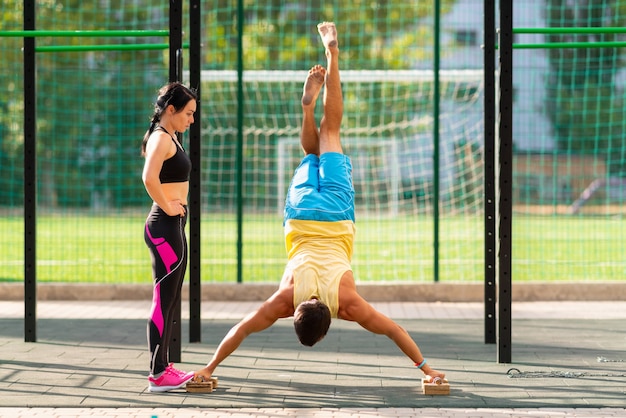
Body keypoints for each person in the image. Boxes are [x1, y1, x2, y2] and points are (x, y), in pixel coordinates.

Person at [194, 22, 445, 386]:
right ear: (296, 312)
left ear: (329, 321)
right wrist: (209, 367)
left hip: (337, 217)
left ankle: (331, 60)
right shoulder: (285, 299)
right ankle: (308, 108)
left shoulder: (348, 303)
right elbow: (243, 329)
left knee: (330, 133)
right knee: (318, 145)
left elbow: (394, 330)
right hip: (300, 214)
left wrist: (426, 367)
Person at [141, 81, 198, 392]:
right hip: (165, 225)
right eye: (188, 113)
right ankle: (158, 374)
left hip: (171, 225)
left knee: (170, 297)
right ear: (171, 110)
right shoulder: (161, 139)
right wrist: (169, 206)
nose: (191, 120)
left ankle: (162, 366)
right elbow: (148, 178)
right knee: (164, 299)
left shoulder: (169, 136)